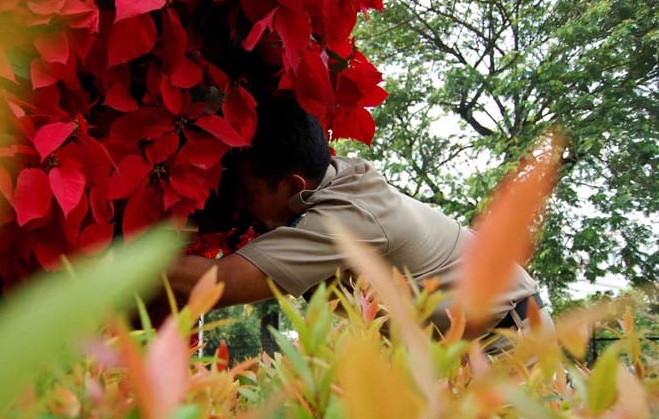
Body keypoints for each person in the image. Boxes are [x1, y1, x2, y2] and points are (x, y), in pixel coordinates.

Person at [167, 97, 550, 341]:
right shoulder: (338, 184)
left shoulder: (345, 218)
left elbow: (218, 285)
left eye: (250, 194)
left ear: (294, 184)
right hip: (465, 344)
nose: (243, 205)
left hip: (509, 342)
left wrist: (122, 252)